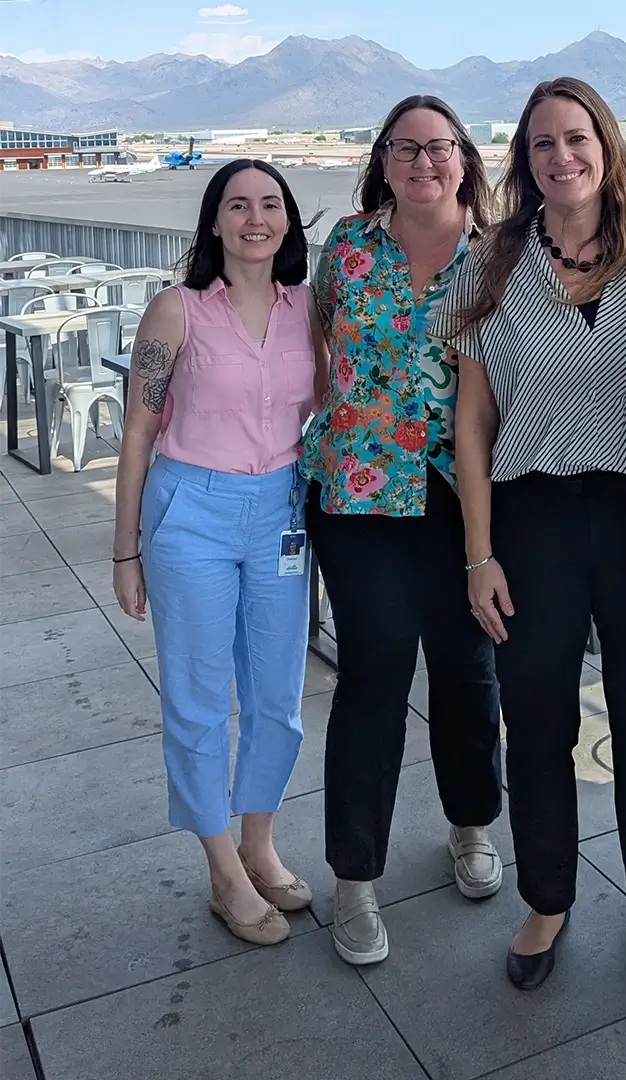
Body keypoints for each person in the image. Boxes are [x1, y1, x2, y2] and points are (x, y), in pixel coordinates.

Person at [432, 75, 626, 991]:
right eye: (542, 143)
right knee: (535, 721)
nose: (562, 156)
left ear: (606, 144)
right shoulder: (489, 267)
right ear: (524, 161)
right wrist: (479, 553)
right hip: (532, 521)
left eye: (576, 137)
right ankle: (548, 901)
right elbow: (471, 424)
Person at [300, 95, 504, 967]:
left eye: (441, 147)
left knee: (467, 667)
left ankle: (468, 824)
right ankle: (355, 875)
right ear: (382, 161)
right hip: (360, 497)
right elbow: (311, 353)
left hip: (465, 501)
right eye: (407, 148)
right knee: (375, 675)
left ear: (465, 160)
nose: (425, 161)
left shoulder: (502, 255)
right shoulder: (346, 248)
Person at [112, 159, 325, 946]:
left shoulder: (311, 308)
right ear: (214, 222)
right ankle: (221, 868)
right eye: (238, 205)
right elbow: (138, 429)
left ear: (289, 222)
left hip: (279, 512)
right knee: (200, 700)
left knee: (276, 693)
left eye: (271, 204)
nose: (255, 218)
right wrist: (124, 549)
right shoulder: (176, 312)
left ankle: (259, 843)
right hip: (190, 512)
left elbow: (335, 402)